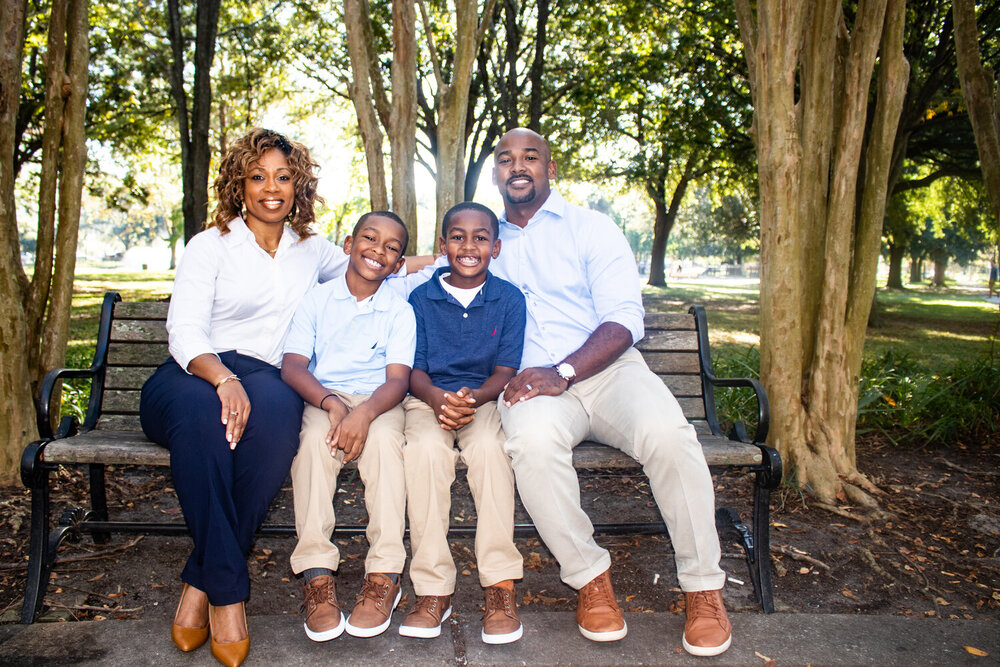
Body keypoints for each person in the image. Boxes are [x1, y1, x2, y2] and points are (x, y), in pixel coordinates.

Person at [490, 128, 733, 657]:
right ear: (496, 174)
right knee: (530, 447)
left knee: (671, 438)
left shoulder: (591, 228)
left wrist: (567, 370)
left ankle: (703, 589)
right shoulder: (484, 238)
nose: (518, 166)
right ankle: (591, 581)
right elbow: (427, 269)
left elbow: (624, 317)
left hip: (607, 371)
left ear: (550, 169)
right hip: (535, 386)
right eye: (506, 159)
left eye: (531, 156)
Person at [140, 128, 346, 667]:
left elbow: (373, 264)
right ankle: (229, 594)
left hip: (265, 377)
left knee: (280, 420)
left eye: (283, 177)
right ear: (240, 185)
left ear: (298, 186)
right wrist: (223, 380)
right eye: (258, 177)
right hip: (193, 372)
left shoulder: (311, 249)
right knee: (205, 422)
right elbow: (183, 331)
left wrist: (447, 256)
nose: (270, 188)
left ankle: (199, 581)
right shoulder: (210, 244)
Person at [280, 211, 415, 642]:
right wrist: (330, 402)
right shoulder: (316, 299)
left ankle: (385, 574)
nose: (378, 250)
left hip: (379, 401)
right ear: (348, 244)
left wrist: (364, 414)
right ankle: (317, 576)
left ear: (398, 265)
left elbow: (398, 380)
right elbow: (293, 366)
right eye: (370, 239)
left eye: (391, 248)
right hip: (326, 394)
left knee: (386, 449)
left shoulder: (399, 310)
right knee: (314, 451)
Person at [400, 202, 526, 644]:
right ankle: (433, 589)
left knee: (492, 454)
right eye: (457, 236)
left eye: (479, 238)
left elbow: (506, 370)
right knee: (425, 454)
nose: (468, 245)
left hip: (485, 401)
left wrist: (472, 399)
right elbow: (414, 370)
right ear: (442, 245)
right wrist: (437, 399)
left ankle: (499, 586)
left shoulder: (509, 298)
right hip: (426, 400)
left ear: (495, 246)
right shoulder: (420, 298)